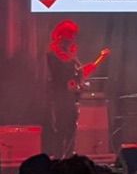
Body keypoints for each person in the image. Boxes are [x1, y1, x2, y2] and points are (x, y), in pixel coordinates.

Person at [44, 20, 108, 157]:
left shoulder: (71, 57)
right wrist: (71, 82)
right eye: (70, 35)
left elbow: (82, 72)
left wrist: (101, 58)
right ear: (62, 36)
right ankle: (59, 159)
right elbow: (57, 76)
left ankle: (68, 158)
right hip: (59, 97)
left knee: (71, 129)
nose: (73, 39)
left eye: (73, 36)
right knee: (61, 129)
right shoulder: (52, 55)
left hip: (70, 98)